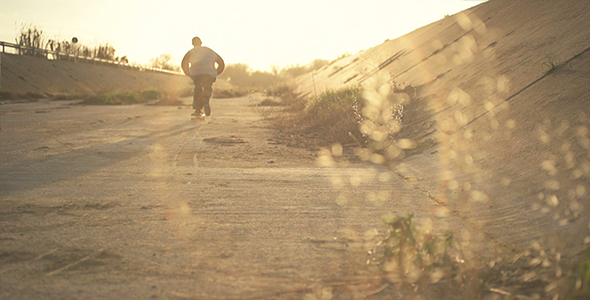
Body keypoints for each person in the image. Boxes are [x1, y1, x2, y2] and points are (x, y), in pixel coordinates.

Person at [181, 37, 225, 117]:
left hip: (196, 73)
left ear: (192, 43)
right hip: (209, 73)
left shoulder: (191, 52)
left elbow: (184, 63)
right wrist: (215, 73)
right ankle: (205, 99)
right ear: (201, 42)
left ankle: (198, 110)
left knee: (198, 89)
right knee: (207, 87)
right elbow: (221, 63)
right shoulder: (209, 51)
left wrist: (188, 73)